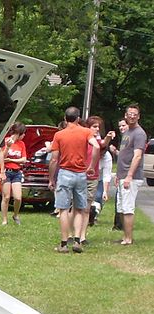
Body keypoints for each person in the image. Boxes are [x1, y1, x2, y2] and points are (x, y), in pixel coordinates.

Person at [48, 107, 100, 253]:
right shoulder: (86, 132)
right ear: (78, 118)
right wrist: (91, 166)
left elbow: (53, 159)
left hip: (65, 173)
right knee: (79, 209)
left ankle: (64, 244)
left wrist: (51, 178)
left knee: (63, 209)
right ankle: (77, 241)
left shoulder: (59, 135)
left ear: (65, 118)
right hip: (81, 174)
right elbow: (96, 146)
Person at [114, 104, 147, 245]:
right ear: (126, 115)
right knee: (121, 207)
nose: (132, 116)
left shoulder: (139, 133)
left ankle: (128, 239)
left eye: (135, 114)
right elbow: (123, 154)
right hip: (123, 175)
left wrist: (129, 175)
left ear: (138, 116)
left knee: (127, 208)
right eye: (130, 114)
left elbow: (137, 156)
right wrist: (119, 175)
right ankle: (124, 236)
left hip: (131, 177)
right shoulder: (127, 132)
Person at [0, 122, 27, 226]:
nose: (24, 136)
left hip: (17, 172)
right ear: (19, 133)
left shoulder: (22, 144)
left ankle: (15, 215)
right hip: (6, 171)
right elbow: (2, 158)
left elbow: (24, 159)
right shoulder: (6, 141)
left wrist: (11, 160)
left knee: (18, 197)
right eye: (23, 134)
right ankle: (4, 219)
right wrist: (8, 147)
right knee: (6, 197)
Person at [109, 118, 128, 231]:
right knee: (119, 200)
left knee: (124, 202)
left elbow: (126, 157)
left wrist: (115, 151)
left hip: (127, 175)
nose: (121, 128)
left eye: (123, 125)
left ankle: (122, 226)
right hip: (121, 173)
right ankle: (118, 225)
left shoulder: (130, 138)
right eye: (120, 126)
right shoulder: (124, 138)